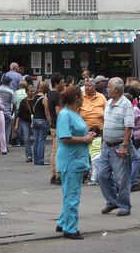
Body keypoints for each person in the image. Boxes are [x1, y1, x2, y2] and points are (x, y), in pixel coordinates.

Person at [55, 85, 95, 240]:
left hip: (76, 159)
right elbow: (65, 137)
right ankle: (70, 228)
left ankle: (63, 222)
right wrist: (85, 139)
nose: (84, 99)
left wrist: (87, 135)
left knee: (70, 193)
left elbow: (75, 133)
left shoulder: (73, 113)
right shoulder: (65, 115)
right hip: (70, 160)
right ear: (76, 98)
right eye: (82, 96)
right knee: (72, 195)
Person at [97, 77, 137, 217]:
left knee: (122, 178)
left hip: (119, 145)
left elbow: (128, 126)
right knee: (101, 175)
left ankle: (124, 205)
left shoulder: (126, 104)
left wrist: (125, 145)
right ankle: (112, 201)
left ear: (116, 89)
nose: (107, 89)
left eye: (109, 87)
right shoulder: (108, 103)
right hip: (107, 145)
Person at [48, 73, 65, 185]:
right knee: (59, 151)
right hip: (58, 126)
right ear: (56, 84)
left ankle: (53, 175)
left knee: (54, 151)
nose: (63, 84)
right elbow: (59, 112)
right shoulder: (57, 95)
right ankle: (58, 175)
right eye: (62, 82)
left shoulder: (50, 94)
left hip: (53, 125)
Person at [14, 85, 36, 162]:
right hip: (25, 121)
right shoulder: (23, 101)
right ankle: (29, 155)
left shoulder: (36, 100)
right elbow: (19, 114)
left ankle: (36, 155)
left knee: (36, 139)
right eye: (30, 91)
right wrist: (16, 125)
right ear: (26, 92)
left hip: (34, 121)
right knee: (26, 138)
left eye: (33, 91)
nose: (32, 92)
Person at [32, 81, 51, 165]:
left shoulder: (34, 97)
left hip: (35, 120)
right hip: (42, 120)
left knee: (36, 140)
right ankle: (41, 160)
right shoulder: (44, 99)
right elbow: (47, 112)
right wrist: (50, 122)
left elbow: (33, 109)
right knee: (41, 141)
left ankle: (36, 160)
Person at [0, 76, 16, 147]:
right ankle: (5, 144)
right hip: (7, 112)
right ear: (9, 83)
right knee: (7, 130)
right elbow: (14, 103)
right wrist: (12, 112)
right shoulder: (11, 91)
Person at [14, 81, 28, 146]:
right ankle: (26, 140)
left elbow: (15, 102)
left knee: (18, 126)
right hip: (25, 110)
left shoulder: (16, 92)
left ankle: (18, 142)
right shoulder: (26, 92)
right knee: (25, 125)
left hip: (18, 109)